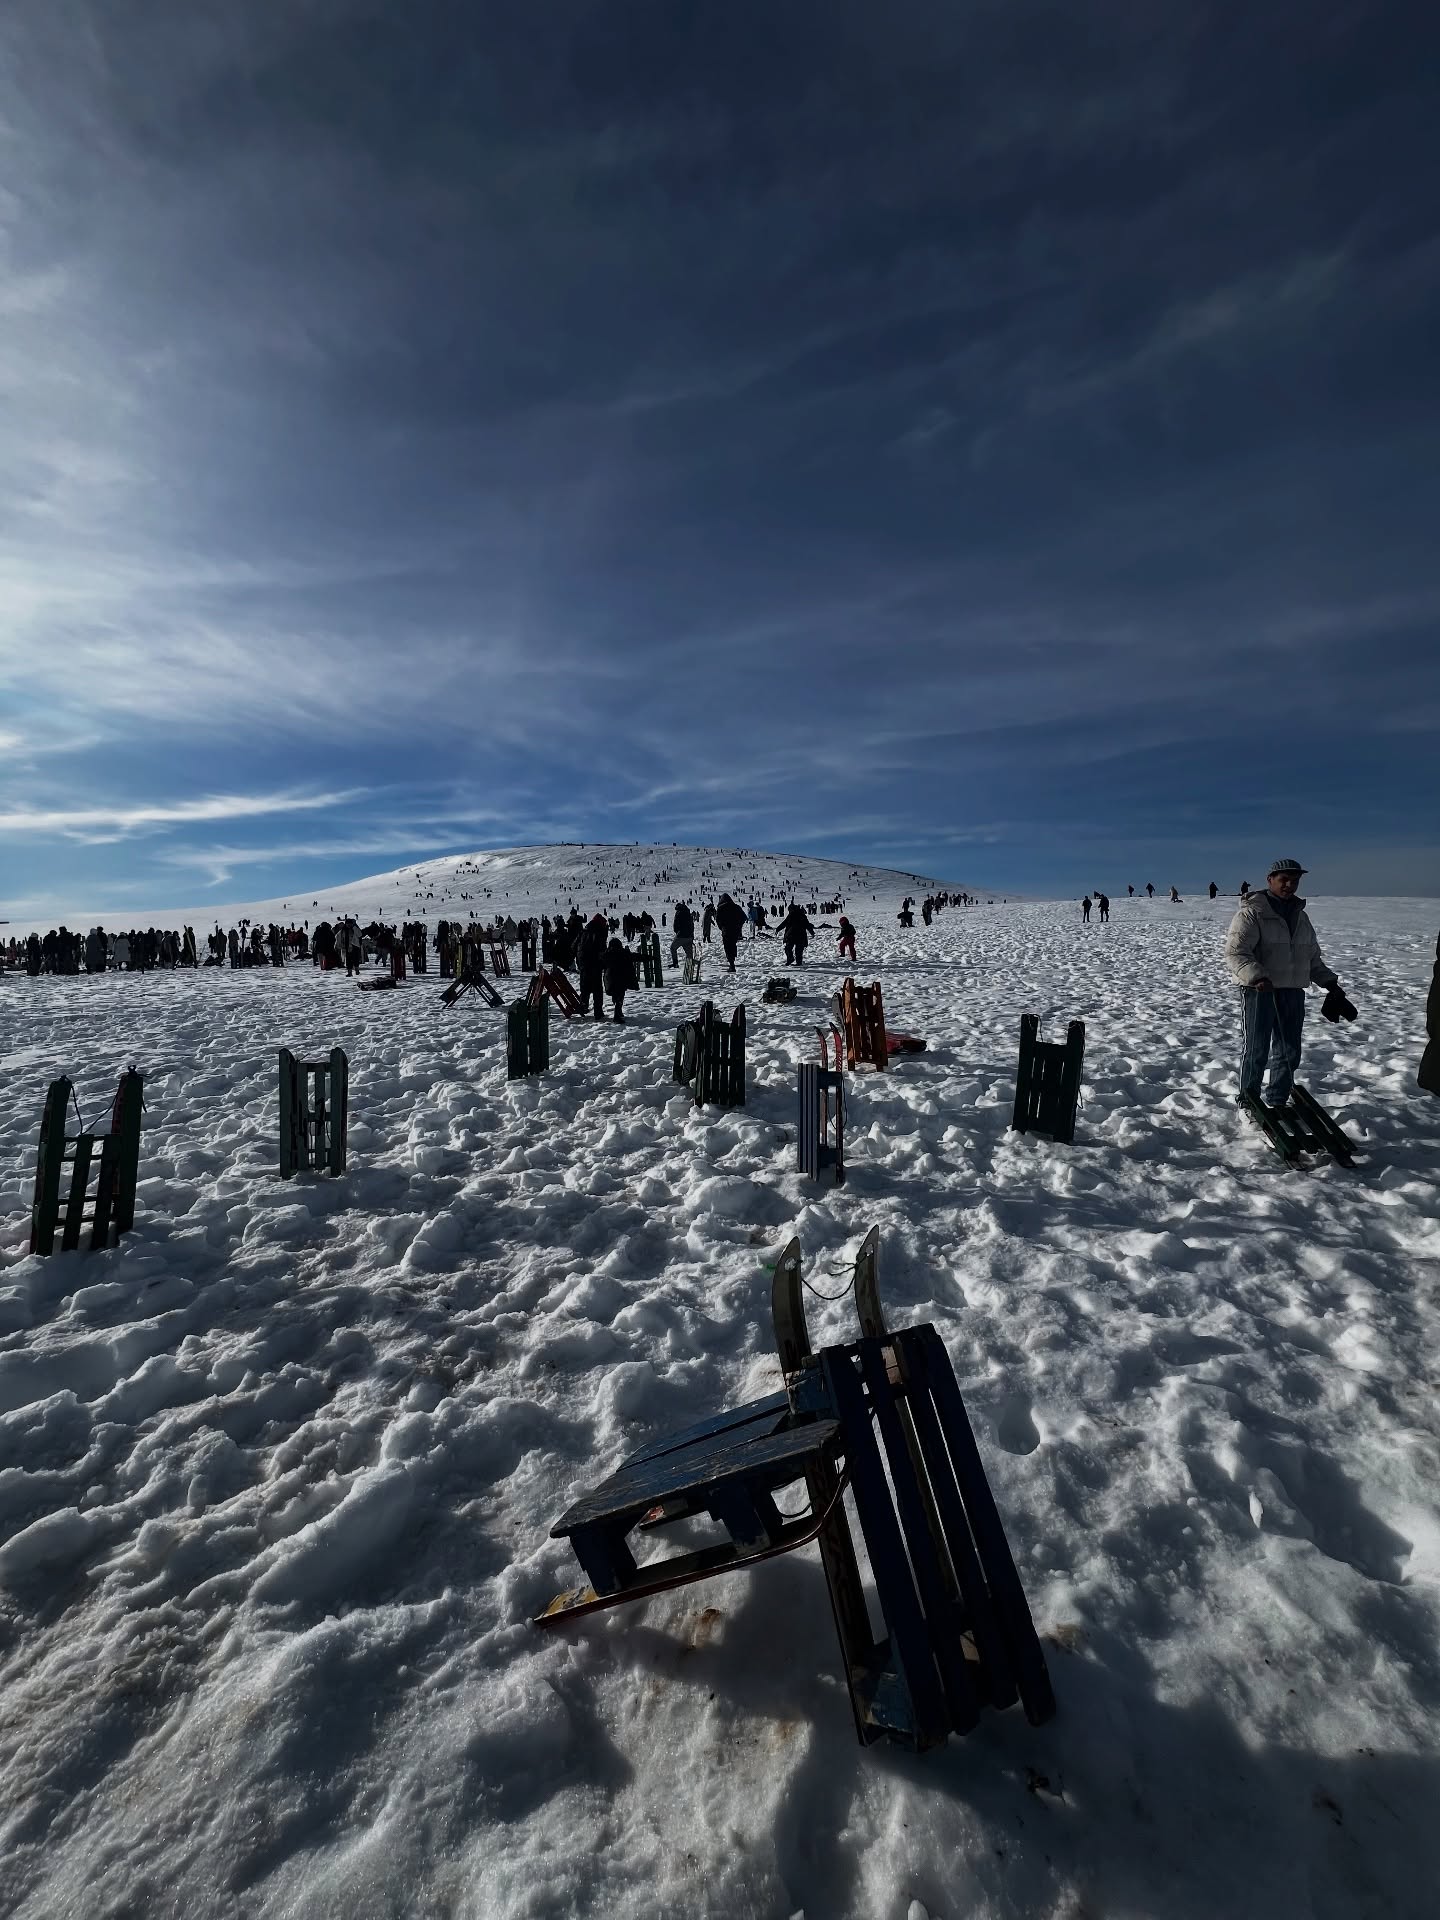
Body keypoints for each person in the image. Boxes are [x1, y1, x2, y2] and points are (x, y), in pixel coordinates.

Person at [1225, 858, 1345, 1109]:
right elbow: (1236, 953)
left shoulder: (1301, 917)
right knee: (1257, 1049)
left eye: (1295, 880)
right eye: (1284, 879)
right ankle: (1249, 1104)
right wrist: (1258, 976)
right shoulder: (1253, 912)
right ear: (1270, 880)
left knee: (1289, 1051)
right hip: (1259, 991)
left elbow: (1311, 958)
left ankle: (1277, 1102)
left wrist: (1331, 984)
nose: (1290, 885)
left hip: (1292, 991)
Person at [578, 911, 609, 1019]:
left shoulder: (585, 930)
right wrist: (604, 963)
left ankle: (583, 1007)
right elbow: (601, 949)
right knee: (597, 989)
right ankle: (598, 1012)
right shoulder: (599, 932)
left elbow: (575, 945)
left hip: (583, 963)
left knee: (584, 987)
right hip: (595, 963)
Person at [604, 936, 636, 1023]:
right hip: (621, 979)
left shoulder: (607, 954)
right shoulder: (623, 953)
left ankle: (618, 1012)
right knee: (620, 997)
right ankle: (617, 1015)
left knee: (615, 996)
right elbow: (636, 957)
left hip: (610, 979)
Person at [715, 893, 745, 972]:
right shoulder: (736, 907)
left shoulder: (720, 908)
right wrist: (739, 926)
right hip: (735, 930)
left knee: (727, 946)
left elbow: (718, 920)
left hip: (726, 930)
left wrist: (722, 928)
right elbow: (743, 917)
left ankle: (731, 964)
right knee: (733, 944)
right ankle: (732, 960)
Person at [781, 902, 815, 966]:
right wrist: (812, 932)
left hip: (793, 935)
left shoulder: (793, 915)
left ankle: (792, 959)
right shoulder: (801, 915)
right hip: (799, 935)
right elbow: (807, 925)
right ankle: (797, 961)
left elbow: (784, 923)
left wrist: (778, 929)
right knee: (797, 950)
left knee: (790, 948)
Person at [670, 900, 695, 969]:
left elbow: (676, 925)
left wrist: (677, 933)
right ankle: (690, 966)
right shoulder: (688, 913)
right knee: (689, 952)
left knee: (673, 948)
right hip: (689, 935)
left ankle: (675, 963)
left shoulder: (678, 913)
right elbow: (692, 925)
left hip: (681, 935)